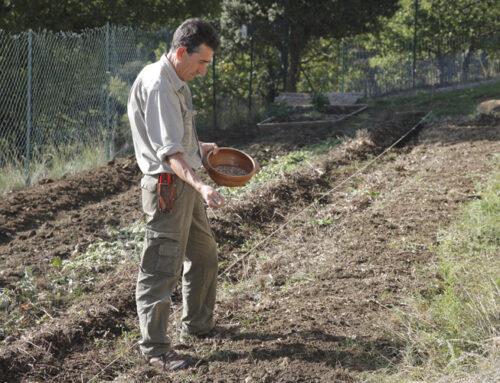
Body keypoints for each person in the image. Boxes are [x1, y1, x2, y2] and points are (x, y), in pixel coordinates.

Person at [127, 18, 226, 371]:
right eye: (201, 62)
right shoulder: (160, 86)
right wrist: (202, 184)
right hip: (168, 189)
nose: (202, 72)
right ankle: (155, 350)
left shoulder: (176, 80)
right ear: (182, 52)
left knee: (204, 256)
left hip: (182, 184)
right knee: (160, 270)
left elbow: (171, 140)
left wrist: (198, 148)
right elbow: (167, 155)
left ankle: (198, 325)